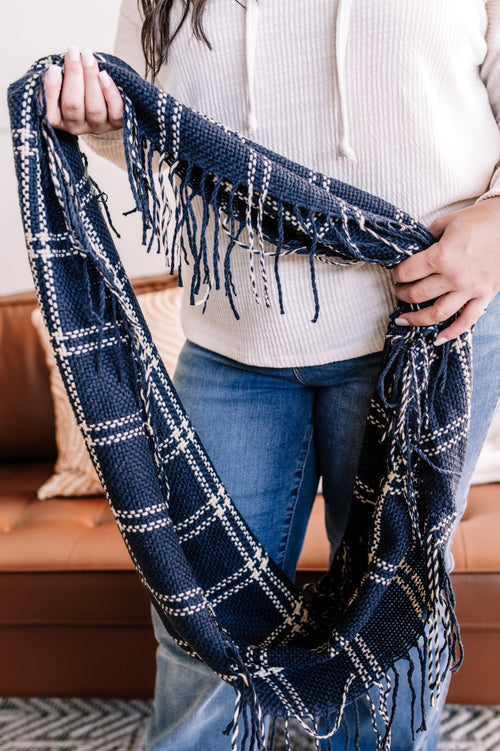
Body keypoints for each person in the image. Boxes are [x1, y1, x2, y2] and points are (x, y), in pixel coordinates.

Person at [43, 1, 500, 748]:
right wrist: (96, 117)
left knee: (391, 618)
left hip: (424, 327)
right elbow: (156, 134)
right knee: (196, 617)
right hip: (233, 337)